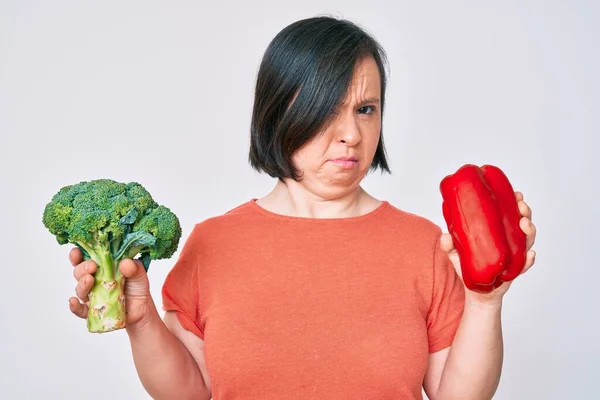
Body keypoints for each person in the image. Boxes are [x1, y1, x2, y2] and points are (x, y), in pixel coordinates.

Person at [68, 16, 537, 400]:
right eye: (327, 107)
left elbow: (460, 397)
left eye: (366, 109)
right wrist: (143, 321)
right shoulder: (213, 242)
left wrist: (484, 301)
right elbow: (189, 392)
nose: (351, 134)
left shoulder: (423, 244)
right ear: (277, 112)